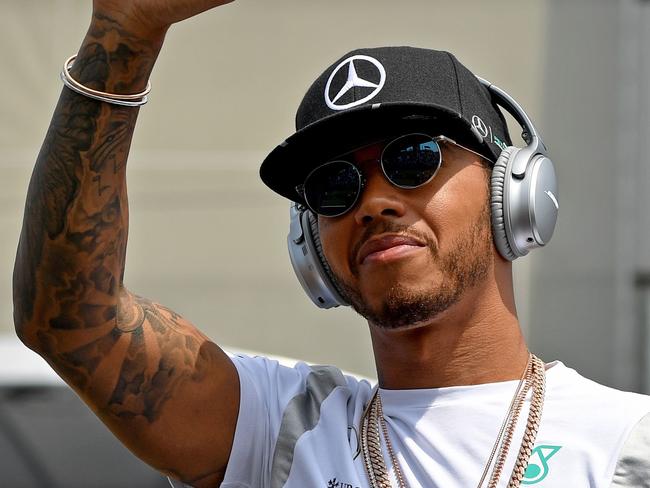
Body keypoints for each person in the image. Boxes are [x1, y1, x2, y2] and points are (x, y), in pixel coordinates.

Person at [11, 0, 650, 487]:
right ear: (309, 243)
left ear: (513, 190)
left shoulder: (626, 443)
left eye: (414, 157)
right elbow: (72, 321)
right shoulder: (280, 432)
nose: (373, 201)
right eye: (334, 185)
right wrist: (123, 35)